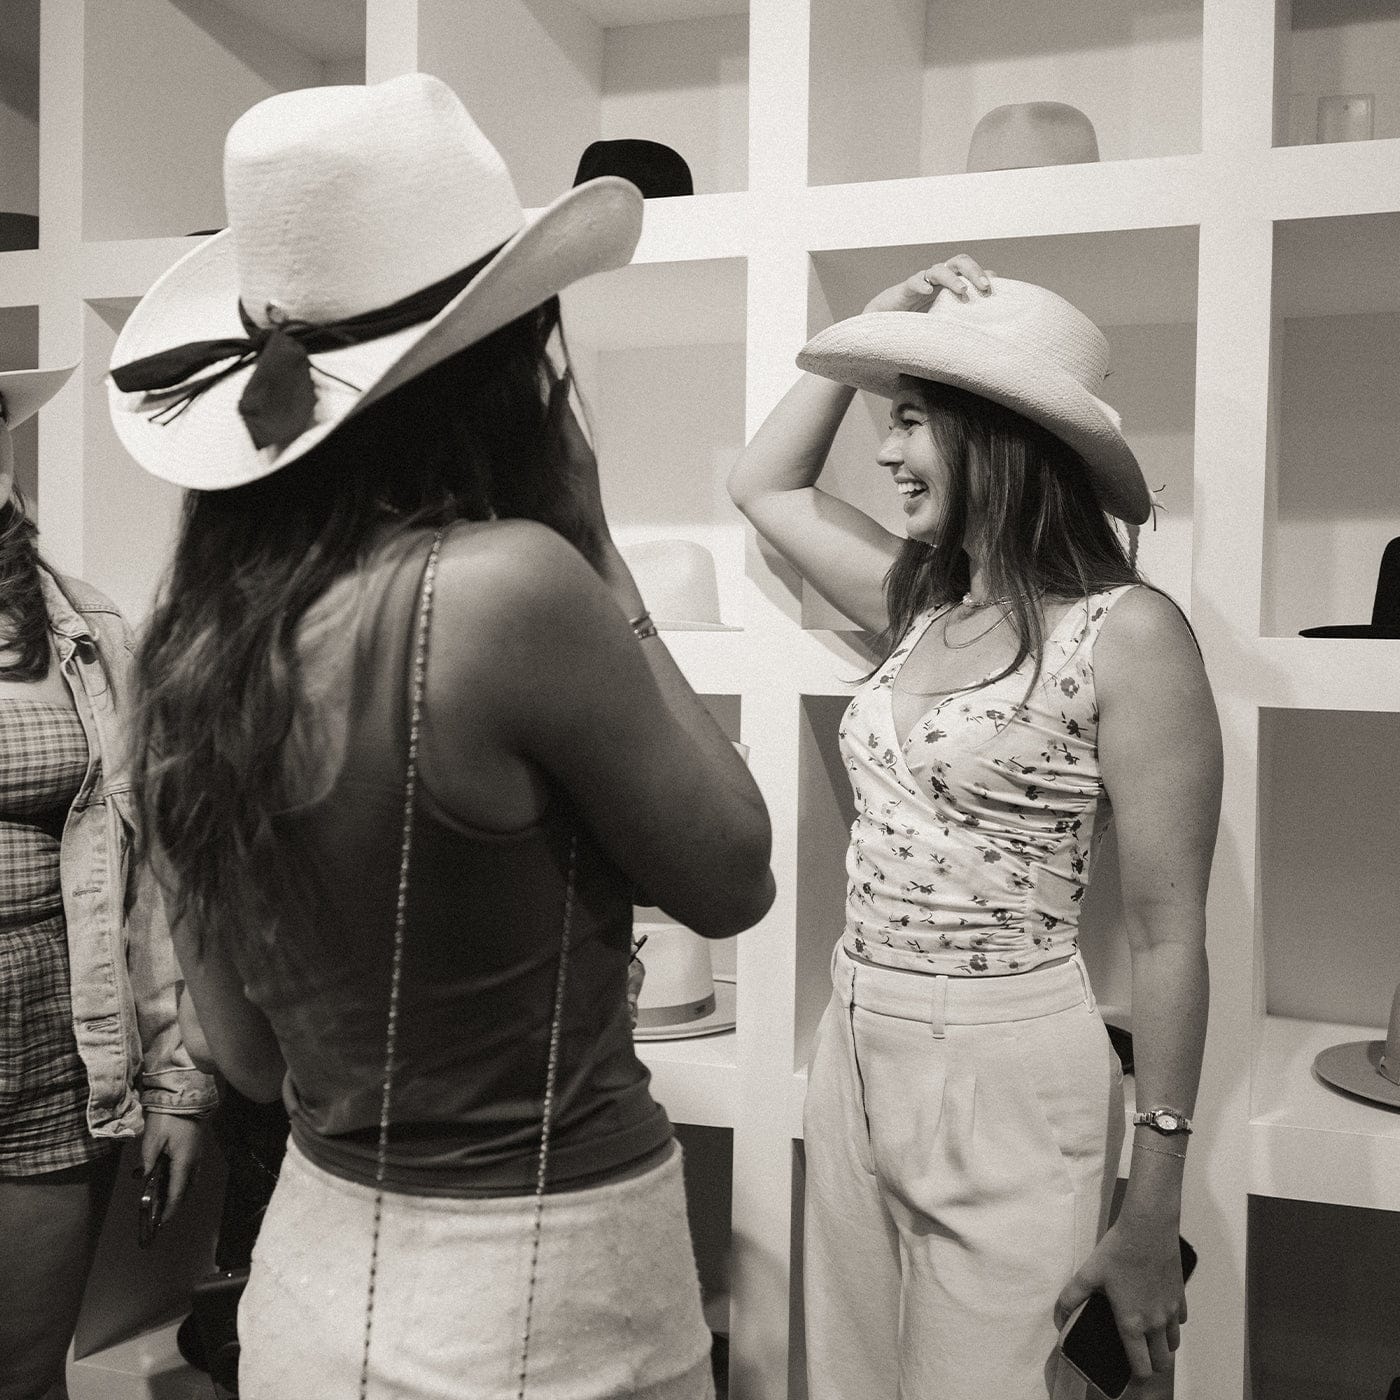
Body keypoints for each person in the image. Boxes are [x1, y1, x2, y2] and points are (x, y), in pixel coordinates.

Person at [111, 74, 773, 1400]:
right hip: (553, 1289)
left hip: (314, 1281)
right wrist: (600, 552)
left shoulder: (184, 655)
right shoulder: (512, 590)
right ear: (497, 364)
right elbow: (731, 875)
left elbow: (248, 1058)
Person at [728, 254, 1220, 1399]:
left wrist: (1151, 1205)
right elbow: (766, 485)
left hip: (1006, 1059)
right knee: (845, 1379)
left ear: (998, 435)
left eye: (910, 419)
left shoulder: (1126, 632)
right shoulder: (921, 601)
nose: (885, 451)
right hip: (853, 1034)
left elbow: (1166, 933)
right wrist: (876, 324)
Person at [0, 363, 215, 1399]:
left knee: (26, 1375)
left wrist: (176, 1083)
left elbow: (157, 875)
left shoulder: (87, 629)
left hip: (52, 1049)